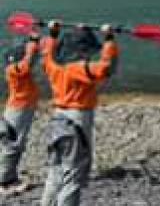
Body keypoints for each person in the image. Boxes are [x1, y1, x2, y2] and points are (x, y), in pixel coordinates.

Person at [40, 21, 119, 206]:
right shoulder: (79, 69)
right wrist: (109, 40)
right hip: (77, 120)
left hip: (57, 119)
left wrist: (52, 34)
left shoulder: (53, 67)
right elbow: (107, 68)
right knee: (73, 173)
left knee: (56, 170)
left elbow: (47, 55)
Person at [0, 34, 40, 194]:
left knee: (16, 143)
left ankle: (10, 177)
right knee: (12, 145)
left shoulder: (16, 67)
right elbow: (28, 63)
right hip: (18, 111)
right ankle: (4, 182)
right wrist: (31, 47)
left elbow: (31, 61)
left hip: (22, 109)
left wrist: (35, 42)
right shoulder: (13, 69)